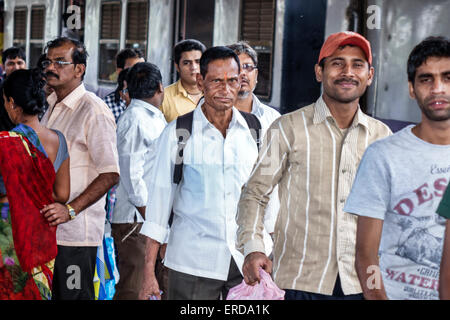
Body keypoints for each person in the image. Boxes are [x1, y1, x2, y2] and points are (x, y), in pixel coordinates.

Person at [236, 31, 392, 300]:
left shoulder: (382, 137)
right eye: (337, 63)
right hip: (300, 282)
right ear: (319, 72)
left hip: (363, 283)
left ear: (370, 75)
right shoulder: (288, 128)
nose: (347, 72)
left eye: (357, 65)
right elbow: (255, 192)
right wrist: (253, 248)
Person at [138, 46, 274, 300]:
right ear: (201, 82)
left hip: (246, 260)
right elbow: (158, 206)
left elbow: (271, 201)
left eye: (232, 81)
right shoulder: (178, 134)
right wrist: (148, 273)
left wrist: (273, 252)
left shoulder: (257, 132)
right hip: (193, 264)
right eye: (216, 81)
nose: (226, 89)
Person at [344, 36, 450, 300]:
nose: (438, 88)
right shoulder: (383, 156)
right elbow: (366, 256)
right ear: (412, 89)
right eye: (426, 79)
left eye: (448, 77)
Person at [40, 37, 120, 300]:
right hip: (50, 232)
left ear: (79, 69)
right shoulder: (52, 104)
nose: (51, 67)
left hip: (76, 237)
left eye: (60, 62)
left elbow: (110, 174)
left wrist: (70, 210)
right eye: (48, 61)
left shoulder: (93, 111)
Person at [0, 68, 70, 300]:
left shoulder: (4, 144)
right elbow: (62, 194)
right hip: (41, 240)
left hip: (9, 242)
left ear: (11, 103)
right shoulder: (59, 140)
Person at [112, 62, 166, 300]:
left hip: (148, 219)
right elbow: (132, 176)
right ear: (159, 87)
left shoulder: (149, 117)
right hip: (136, 220)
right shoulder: (135, 119)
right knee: (133, 289)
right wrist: (150, 215)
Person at [160, 39, 206, 123]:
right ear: (177, 67)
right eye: (187, 63)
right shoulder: (164, 97)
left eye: (198, 62)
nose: (194, 67)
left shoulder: (215, 94)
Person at [104, 49, 145, 122]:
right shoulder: (106, 106)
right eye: (134, 70)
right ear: (120, 72)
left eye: (144, 69)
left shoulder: (150, 102)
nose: (141, 75)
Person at [0, 47, 27, 132]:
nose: (16, 68)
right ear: (3, 67)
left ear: (25, 65)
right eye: (11, 63)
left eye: (20, 63)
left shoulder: (32, 88)